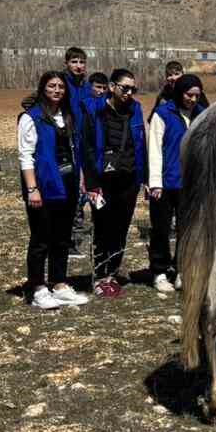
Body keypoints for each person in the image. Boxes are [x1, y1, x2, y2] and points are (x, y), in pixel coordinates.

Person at [19, 72, 89, 310]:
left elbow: (75, 151)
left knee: (62, 237)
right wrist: (32, 189)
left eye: (61, 86)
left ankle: (59, 283)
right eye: (51, 86)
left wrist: (80, 179)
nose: (57, 90)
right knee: (41, 238)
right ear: (42, 88)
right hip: (44, 185)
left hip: (67, 183)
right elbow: (25, 156)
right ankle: (37, 286)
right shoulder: (32, 117)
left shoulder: (68, 116)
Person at [86, 68, 148, 299]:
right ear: (112, 87)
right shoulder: (94, 110)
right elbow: (88, 148)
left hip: (129, 179)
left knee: (121, 228)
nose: (129, 93)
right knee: (102, 227)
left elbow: (141, 143)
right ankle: (99, 275)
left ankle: (112, 273)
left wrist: (145, 178)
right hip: (103, 181)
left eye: (133, 89)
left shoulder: (136, 110)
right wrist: (92, 183)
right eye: (125, 88)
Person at [147, 73, 202, 292]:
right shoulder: (163, 114)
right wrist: (155, 183)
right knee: (160, 228)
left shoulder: (201, 115)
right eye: (189, 95)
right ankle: (159, 271)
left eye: (197, 96)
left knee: (187, 229)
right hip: (166, 182)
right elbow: (155, 149)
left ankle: (181, 269)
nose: (193, 100)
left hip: (190, 183)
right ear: (180, 93)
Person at [62, 47, 93, 260]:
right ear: (66, 63)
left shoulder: (87, 87)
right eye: (74, 61)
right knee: (67, 192)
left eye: (81, 62)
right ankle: (66, 240)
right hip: (66, 145)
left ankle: (75, 240)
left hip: (84, 145)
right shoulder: (60, 84)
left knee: (81, 192)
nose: (78, 66)